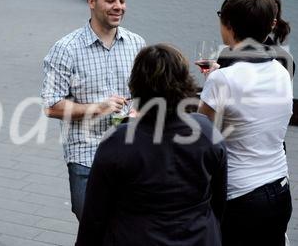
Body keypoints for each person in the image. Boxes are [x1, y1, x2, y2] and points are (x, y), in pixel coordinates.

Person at [76, 44, 227, 246]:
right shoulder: (207, 132)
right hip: (198, 235)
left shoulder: (118, 141)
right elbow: (219, 198)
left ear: (136, 86)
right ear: (185, 84)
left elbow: (95, 214)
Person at [41, 0, 146, 221]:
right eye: (110, 0)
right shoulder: (65, 49)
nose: (118, 6)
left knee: (127, 225)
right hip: (87, 156)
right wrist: (98, 108)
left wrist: (141, 111)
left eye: (122, 0)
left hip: (130, 154)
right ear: (91, 2)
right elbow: (51, 106)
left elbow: (145, 96)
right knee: (90, 221)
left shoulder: (137, 44)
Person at [198, 0, 293, 246]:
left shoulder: (223, 79)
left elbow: (201, 137)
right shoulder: (282, 70)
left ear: (228, 24)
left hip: (240, 198)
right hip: (280, 189)